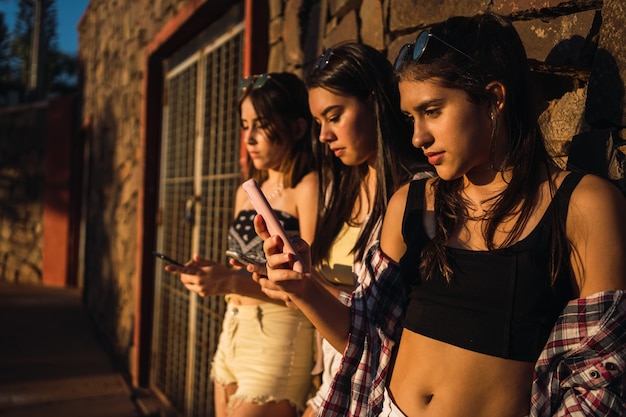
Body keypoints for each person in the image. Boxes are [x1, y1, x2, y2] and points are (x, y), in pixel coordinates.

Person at [254, 13, 626, 417]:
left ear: (494, 98)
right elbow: (367, 339)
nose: (418, 137)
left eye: (432, 111)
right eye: (411, 118)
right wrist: (304, 286)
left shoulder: (581, 205)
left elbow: (598, 377)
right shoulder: (410, 203)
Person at [165, 72, 318, 417]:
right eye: (244, 124)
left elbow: (310, 286)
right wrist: (212, 274)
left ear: (297, 128)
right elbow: (240, 271)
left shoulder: (307, 188)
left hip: (279, 335)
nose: (248, 138)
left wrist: (230, 282)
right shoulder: (245, 192)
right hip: (232, 327)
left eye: (261, 125)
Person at [295, 43, 432, 417]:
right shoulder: (340, 191)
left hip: (376, 390)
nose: (323, 135)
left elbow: (394, 320)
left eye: (334, 116)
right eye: (319, 122)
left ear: (374, 102)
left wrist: (307, 286)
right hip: (334, 378)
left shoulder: (420, 197)